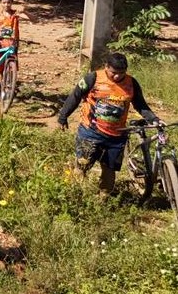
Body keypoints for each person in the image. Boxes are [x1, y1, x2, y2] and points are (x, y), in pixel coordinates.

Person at [57, 53, 163, 193]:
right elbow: (75, 96)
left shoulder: (131, 83)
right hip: (90, 132)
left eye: (122, 73)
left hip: (116, 137)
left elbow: (140, 105)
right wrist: (63, 116)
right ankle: (74, 197)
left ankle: (103, 201)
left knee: (109, 171)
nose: (118, 77)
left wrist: (154, 119)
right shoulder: (92, 78)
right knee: (82, 166)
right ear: (106, 67)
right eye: (114, 73)